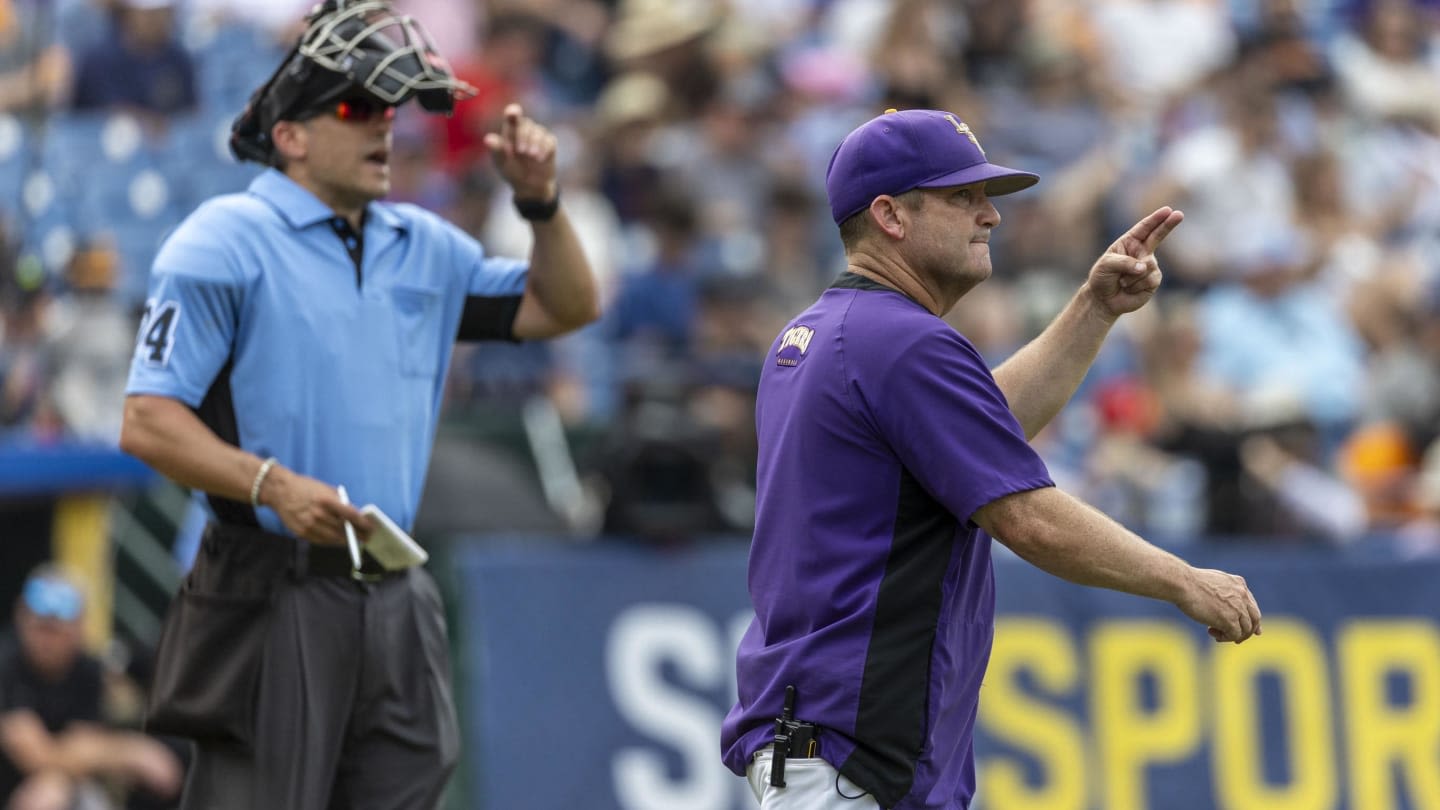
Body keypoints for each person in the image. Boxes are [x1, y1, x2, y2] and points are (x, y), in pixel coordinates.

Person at [116, 1, 598, 807]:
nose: (383, 128)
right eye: (355, 109)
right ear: (290, 136)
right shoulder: (226, 238)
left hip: (393, 584)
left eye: (387, 111)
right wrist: (271, 483)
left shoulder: (425, 244)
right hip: (272, 583)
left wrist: (541, 204)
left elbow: (566, 306)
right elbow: (146, 419)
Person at [719, 108, 1263, 810]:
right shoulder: (902, 341)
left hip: (831, 745)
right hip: (857, 754)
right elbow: (1028, 517)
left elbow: (981, 433)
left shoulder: (821, 332)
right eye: (962, 197)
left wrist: (1093, 309)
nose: (990, 217)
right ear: (890, 215)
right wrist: (1184, 580)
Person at [0, 566, 182, 810]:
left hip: (62, 782)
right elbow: (36, 755)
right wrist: (129, 752)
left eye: (56, 629)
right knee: (49, 796)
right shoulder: (7, 663)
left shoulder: (87, 669)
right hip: (20, 790)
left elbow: (82, 748)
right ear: (21, 618)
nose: (47, 640)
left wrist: (85, 760)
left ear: (78, 628)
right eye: (40, 627)